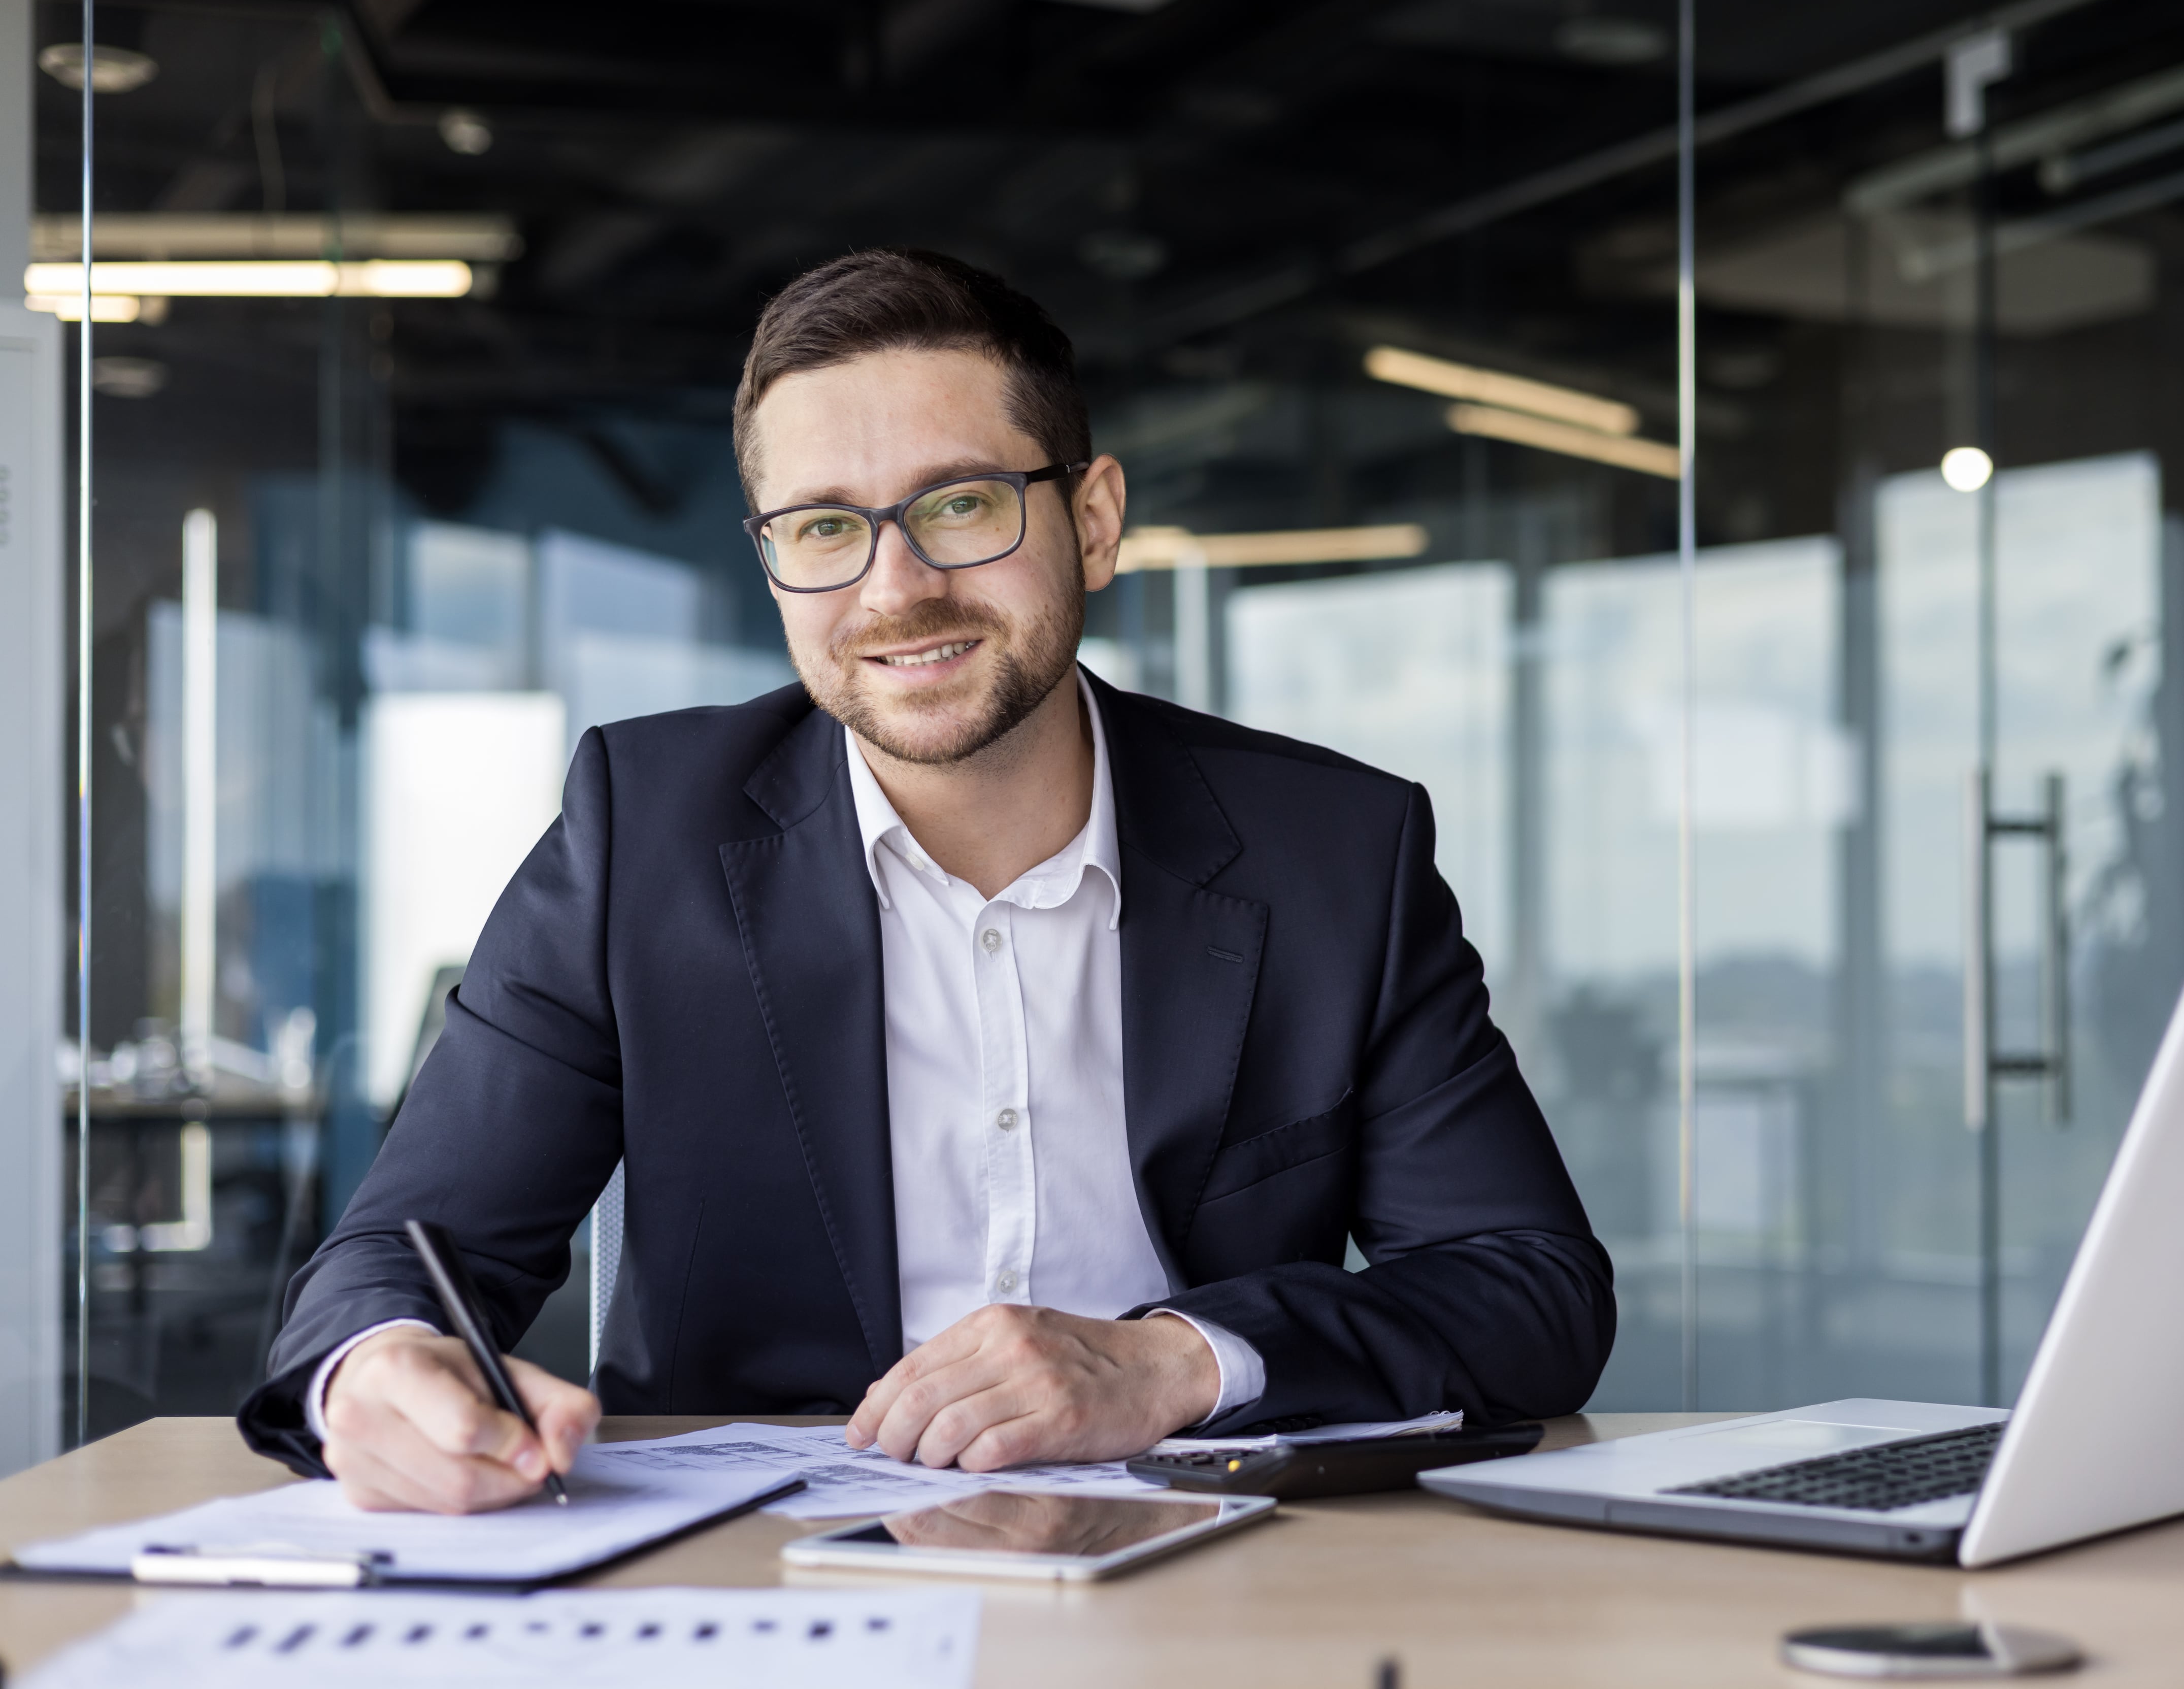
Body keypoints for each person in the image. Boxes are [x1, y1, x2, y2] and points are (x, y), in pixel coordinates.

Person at [238, 248, 1614, 1514]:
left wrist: (1176, 1362)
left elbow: (1530, 1290)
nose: (895, 590)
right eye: (822, 528)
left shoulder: (1331, 851)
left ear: (1094, 521)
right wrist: (379, 1372)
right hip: (758, 1582)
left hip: (1215, 1564)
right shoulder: (641, 836)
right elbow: (398, 1256)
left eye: (960, 506)